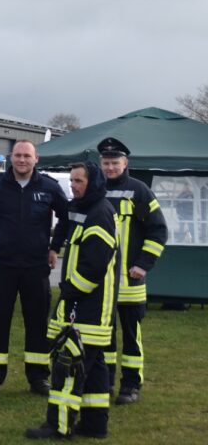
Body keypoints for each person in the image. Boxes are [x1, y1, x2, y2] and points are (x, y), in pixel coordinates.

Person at [26, 161, 119, 440]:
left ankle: (59, 425)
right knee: (95, 369)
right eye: (71, 180)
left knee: (69, 366)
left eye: (79, 181)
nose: (73, 186)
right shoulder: (89, 209)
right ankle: (94, 425)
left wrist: (69, 292)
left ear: (94, 183)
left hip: (87, 308)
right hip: (93, 309)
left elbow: (93, 267)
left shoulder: (99, 213)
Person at [0, 139, 69, 396]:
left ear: (36, 159)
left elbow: (66, 218)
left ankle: (38, 378)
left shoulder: (49, 187)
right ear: (10, 158)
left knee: (37, 323)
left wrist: (54, 246)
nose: (22, 160)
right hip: (2, 266)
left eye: (27, 155)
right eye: (17, 155)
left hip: (36, 267)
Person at [98, 137, 168, 405]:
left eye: (115, 163)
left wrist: (143, 264)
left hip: (130, 281)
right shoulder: (95, 190)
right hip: (101, 283)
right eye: (106, 162)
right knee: (103, 338)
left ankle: (130, 386)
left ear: (125, 163)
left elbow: (158, 230)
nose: (110, 167)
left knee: (130, 337)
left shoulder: (139, 191)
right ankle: (104, 383)